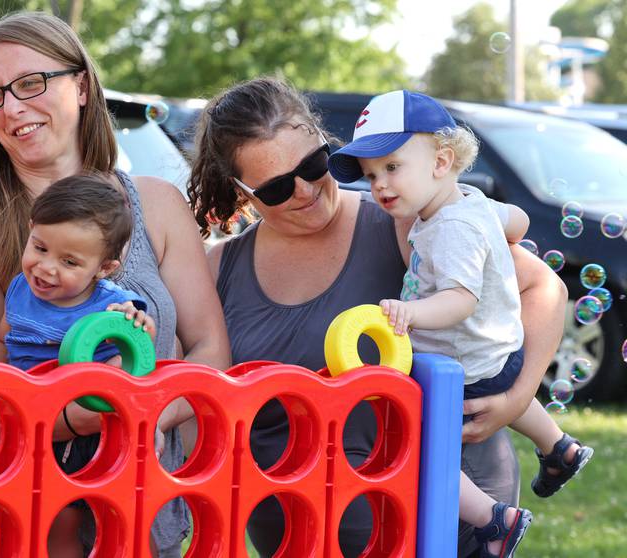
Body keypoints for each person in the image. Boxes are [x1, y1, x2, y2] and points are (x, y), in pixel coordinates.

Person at [187, 77, 568, 557]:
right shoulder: (219, 268)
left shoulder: (408, 221)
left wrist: (517, 397)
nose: (305, 190)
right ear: (241, 192)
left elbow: (544, 288)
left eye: (313, 164)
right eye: (279, 187)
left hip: (444, 513)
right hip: (295, 534)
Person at [0, 11, 230, 557]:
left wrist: (144, 414)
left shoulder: (156, 204)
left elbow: (212, 350)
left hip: (146, 502)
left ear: (82, 85)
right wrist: (77, 416)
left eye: (30, 83)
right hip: (29, 508)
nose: (12, 108)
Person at [327, 89, 594, 558]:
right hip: (497, 355)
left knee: (421, 450)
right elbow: (521, 221)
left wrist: (410, 313)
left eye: (392, 167)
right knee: (499, 377)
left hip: (465, 368)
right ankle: (560, 447)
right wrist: (499, 229)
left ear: (441, 160)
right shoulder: (471, 201)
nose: (380, 186)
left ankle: (494, 520)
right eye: (370, 176)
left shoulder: (449, 229)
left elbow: (460, 300)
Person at [0, 174, 162, 556]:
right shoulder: (20, 286)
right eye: (40, 248)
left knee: (127, 516)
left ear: (103, 268)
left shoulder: (111, 304)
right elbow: (5, 338)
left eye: (69, 262)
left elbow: (139, 340)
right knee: (58, 519)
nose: (46, 268)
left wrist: (136, 324)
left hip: (98, 431)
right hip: (40, 426)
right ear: (31, 229)